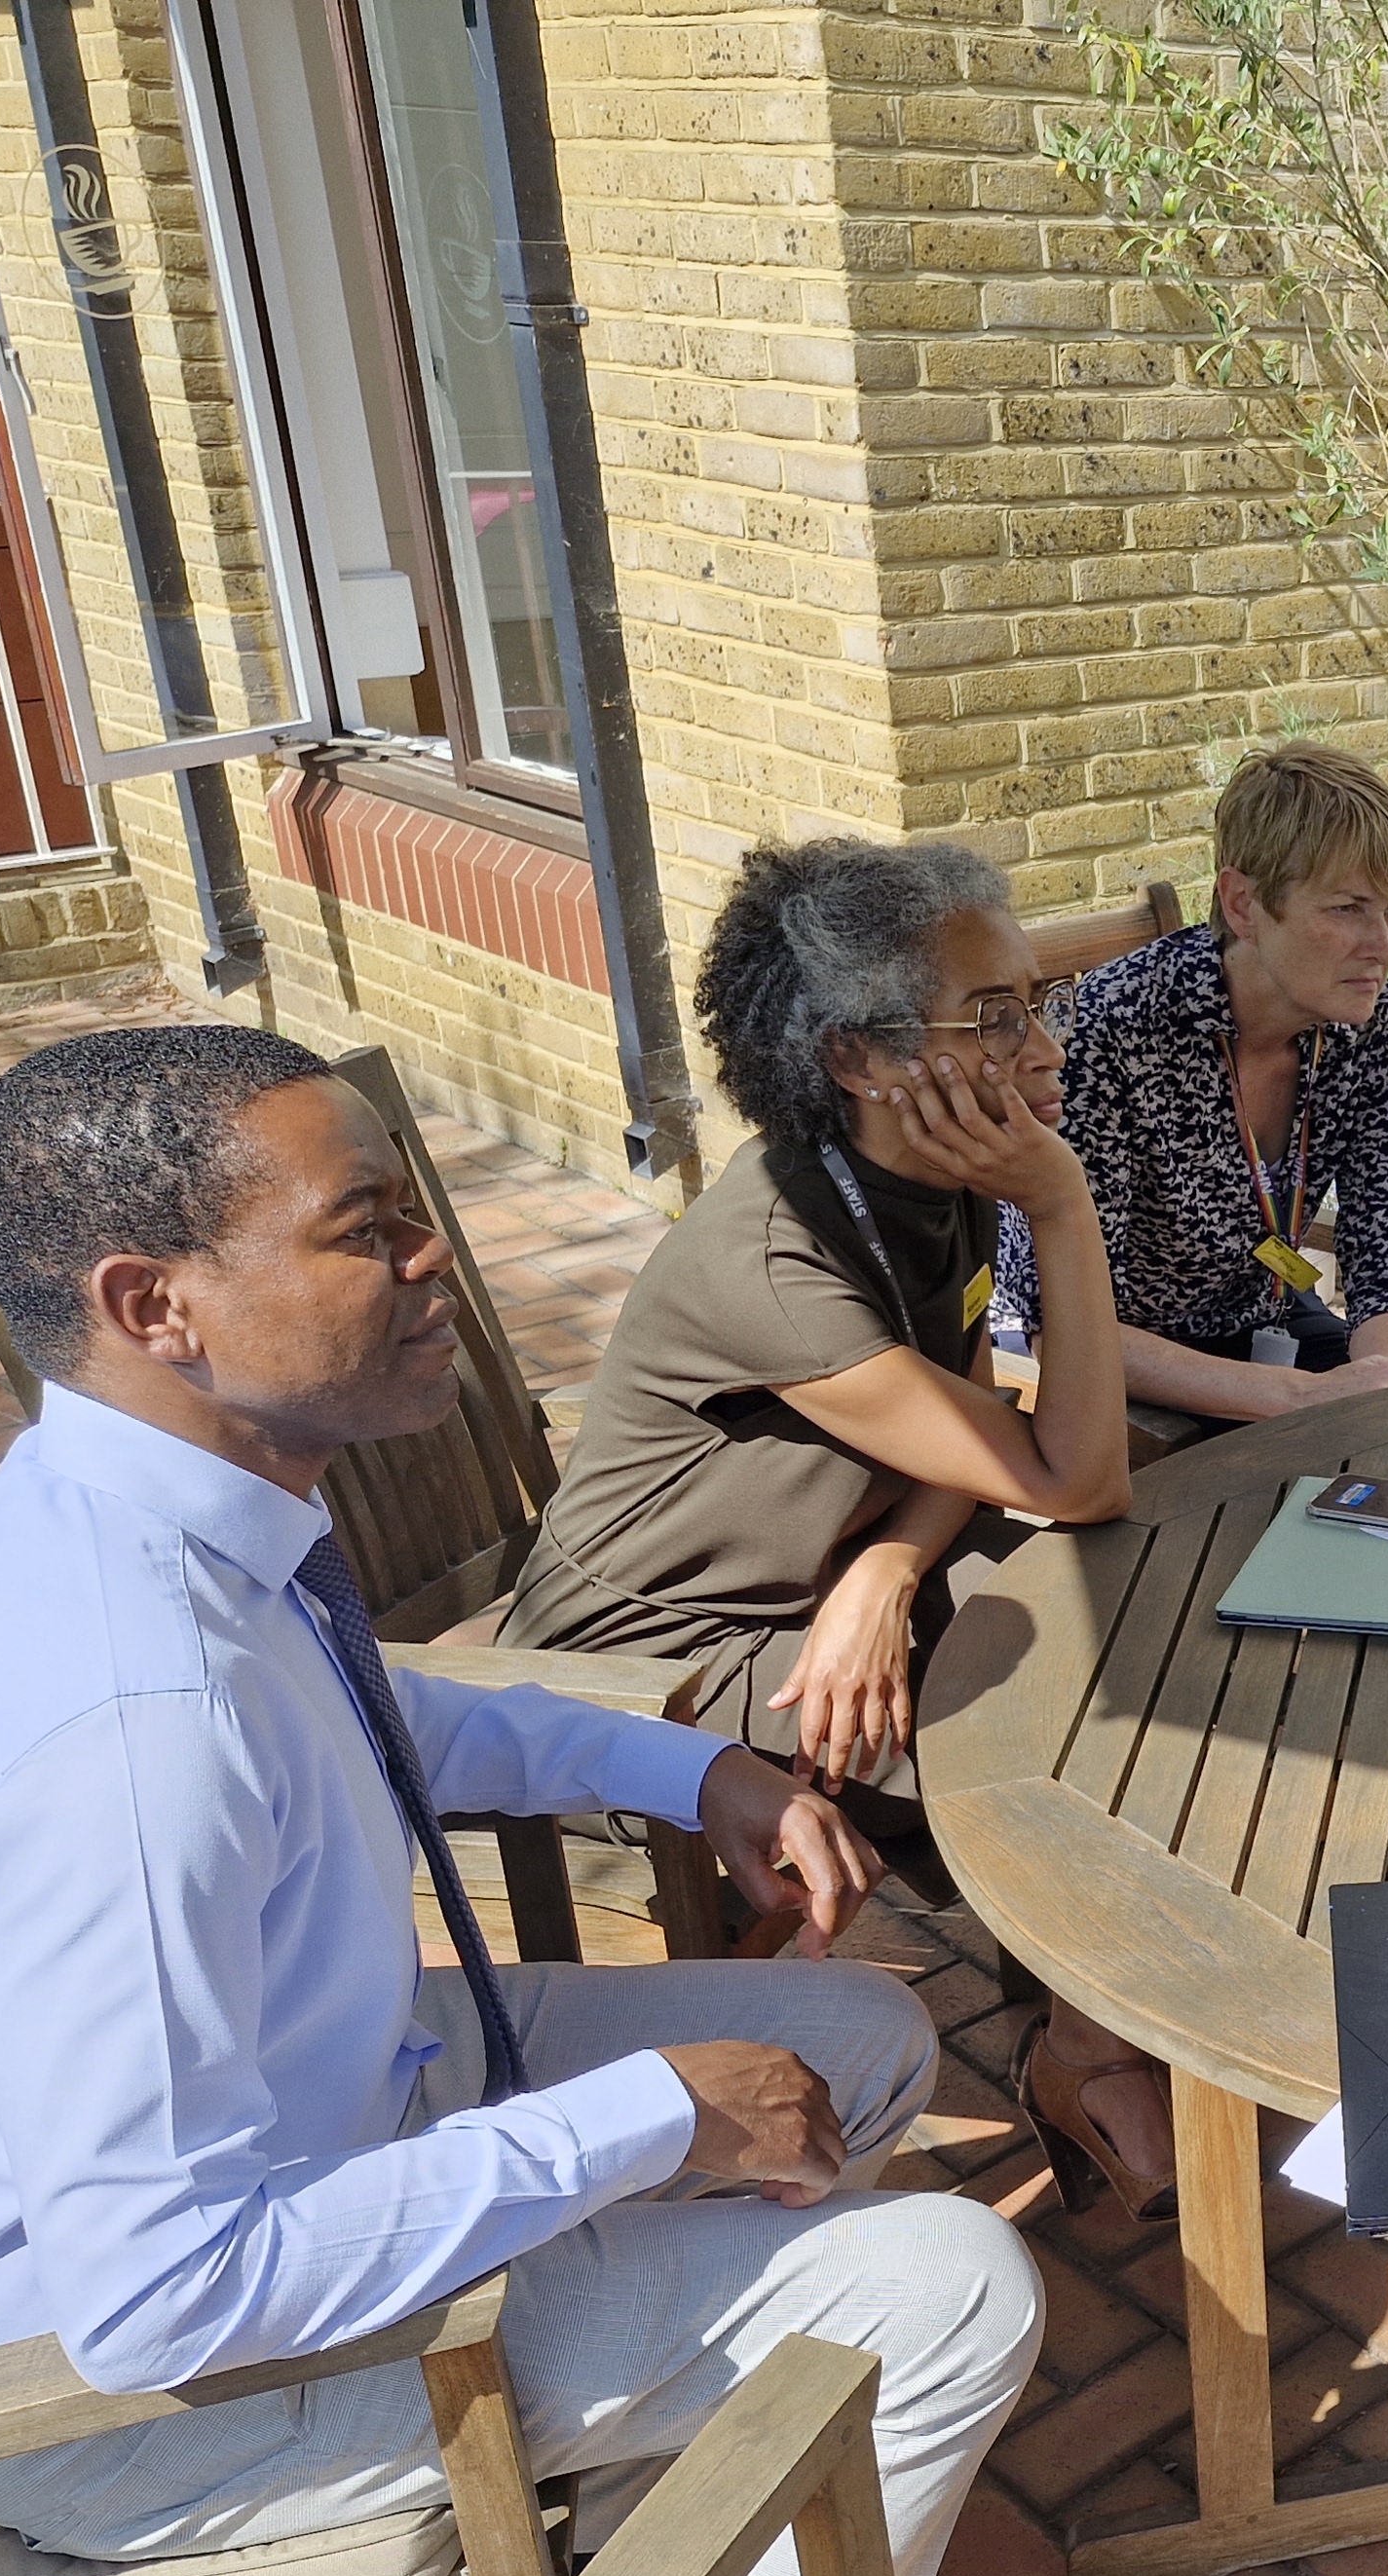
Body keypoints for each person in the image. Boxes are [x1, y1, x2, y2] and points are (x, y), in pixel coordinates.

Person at [0, 1026, 1043, 2576]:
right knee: (952, 2291)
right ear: (156, 1305)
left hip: (333, 2106)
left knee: (862, 2036)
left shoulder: (164, 1514)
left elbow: (376, 1712)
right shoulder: (126, 1725)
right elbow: (162, 2301)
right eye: (366, 1229)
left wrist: (695, 1771)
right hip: (143, 2408)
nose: (435, 1257)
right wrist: (647, 2120)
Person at [501, 837, 1177, 2222]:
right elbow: (1075, 1475)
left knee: (1113, 1613)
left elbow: (982, 1419)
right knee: (1056, 1715)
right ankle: (1088, 2052)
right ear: (862, 1059)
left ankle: (1089, 2034)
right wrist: (1062, 1202)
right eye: (997, 1015)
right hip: (652, 1658)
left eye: (1038, 1001)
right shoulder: (780, 1260)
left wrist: (886, 1565)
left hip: (805, 1586)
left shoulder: (924, 1177)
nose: (1045, 1045)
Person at [995, 743, 1388, 1426]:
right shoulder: (1111, 1035)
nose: (1381, 945)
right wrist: (1308, 1400)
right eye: (1348, 909)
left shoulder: (1379, 1031)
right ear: (1243, 904)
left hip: (1263, 1319)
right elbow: (1058, 1326)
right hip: (1114, 1363)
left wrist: (1386, 1387)